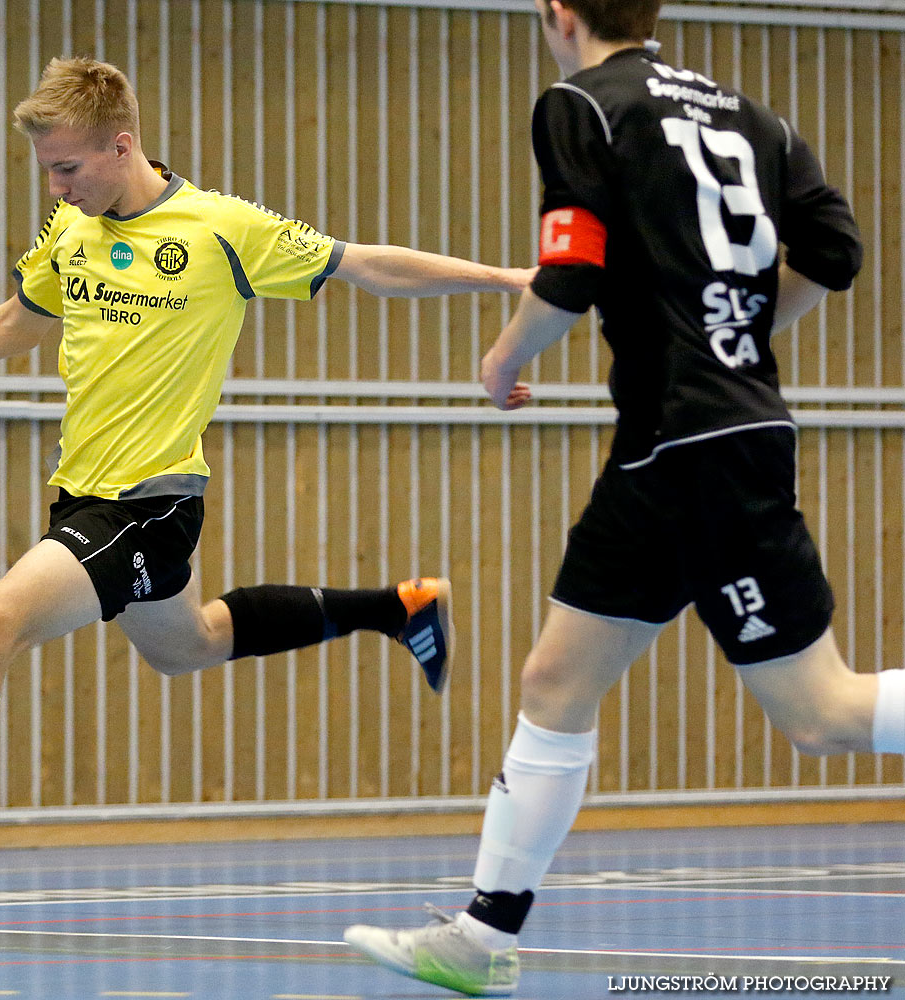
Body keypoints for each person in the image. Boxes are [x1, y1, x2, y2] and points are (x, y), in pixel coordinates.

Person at [0, 56, 533, 895]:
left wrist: (506, 280)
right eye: (45, 171)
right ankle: (399, 609)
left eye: (67, 168)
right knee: (193, 646)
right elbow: (13, 325)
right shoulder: (71, 229)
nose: (55, 189)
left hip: (146, 508)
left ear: (122, 145)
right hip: (80, 497)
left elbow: (365, 264)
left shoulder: (220, 230)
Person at [342, 1, 902, 994]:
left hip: (698, 447)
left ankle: (483, 934)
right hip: (684, 443)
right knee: (555, 681)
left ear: (558, 14)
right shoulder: (752, 116)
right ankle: (482, 936)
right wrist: (743, 335)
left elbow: (568, 270)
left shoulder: (582, 104)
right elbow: (835, 253)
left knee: (823, 715)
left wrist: (503, 358)